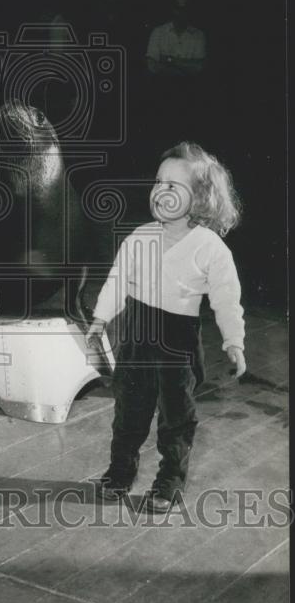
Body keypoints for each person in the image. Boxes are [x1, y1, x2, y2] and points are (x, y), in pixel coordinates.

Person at [86, 142, 245, 512]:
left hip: (177, 343)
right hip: (137, 338)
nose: (161, 191)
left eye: (174, 185)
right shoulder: (141, 237)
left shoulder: (210, 249)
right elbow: (117, 280)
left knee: (177, 417)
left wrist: (234, 341)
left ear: (202, 197)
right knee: (129, 410)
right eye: (159, 182)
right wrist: (100, 317)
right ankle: (120, 471)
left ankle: (170, 481)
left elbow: (226, 298)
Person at [146, 0, 207, 77]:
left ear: (190, 10)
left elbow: (199, 68)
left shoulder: (199, 35)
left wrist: (170, 60)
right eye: (178, 9)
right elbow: (151, 66)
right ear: (173, 10)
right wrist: (186, 66)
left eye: (185, 9)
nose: (181, 13)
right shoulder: (158, 32)